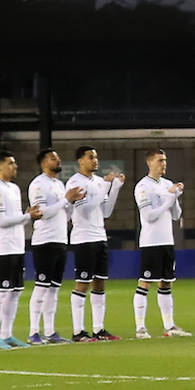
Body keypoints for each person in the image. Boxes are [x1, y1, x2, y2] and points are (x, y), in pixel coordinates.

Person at [63, 146, 123, 342]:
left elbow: (106, 211)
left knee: (99, 283)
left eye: (96, 157)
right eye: (91, 157)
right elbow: (86, 210)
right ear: (80, 161)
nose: (95, 161)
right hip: (83, 238)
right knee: (83, 283)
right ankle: (78, 331)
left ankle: (99, 329)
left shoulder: (98, 182)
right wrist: (105, 187)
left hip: (99, 236)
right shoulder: (75, 182)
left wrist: (114, 189)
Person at [131, 149, 190, 337]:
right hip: (151, 242)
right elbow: (149, 216)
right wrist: (170, 197)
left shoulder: (167, 184)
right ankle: (140, 327)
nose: (163, 164)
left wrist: (175, 197)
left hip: (167, 240)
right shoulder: (143, 187)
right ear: (149, 162)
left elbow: (176, 215)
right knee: (145, 282)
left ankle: (169, 326)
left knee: (166, 283)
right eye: (160, 160)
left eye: (165, 160)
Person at [0, 151, 39, 349]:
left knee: (15, 291)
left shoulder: (14, 189)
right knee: (1, 290)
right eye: (10, 163)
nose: (14, 167)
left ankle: (7, 334)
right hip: (3, 247)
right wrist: (27, 217)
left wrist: (25, 217)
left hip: (17, 245)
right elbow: (1, 221)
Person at [26, 148, 72, 345]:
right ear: (44, 163)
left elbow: (63, 213)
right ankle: (33, 331)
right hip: (45, 240)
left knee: (53, 288)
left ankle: (50, 331)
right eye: (53, 158)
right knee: (42, 285)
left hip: (60, 239)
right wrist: (65, 201)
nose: (58, 160)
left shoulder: (59, 184)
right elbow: (41, 212)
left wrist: (69, 204)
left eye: (58, 157)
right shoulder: (38, 184)